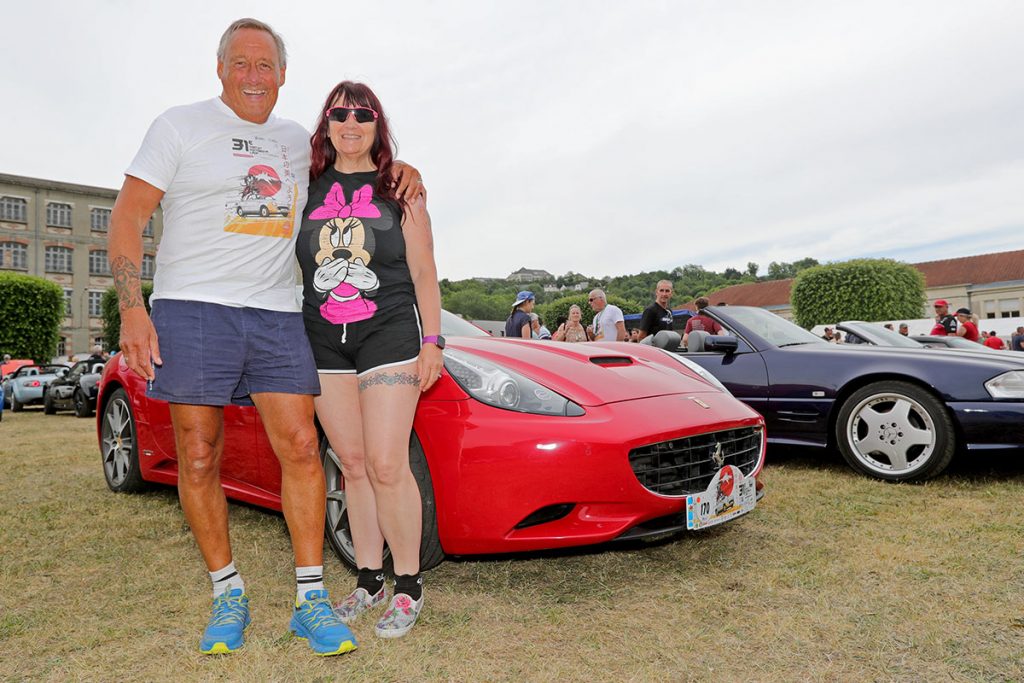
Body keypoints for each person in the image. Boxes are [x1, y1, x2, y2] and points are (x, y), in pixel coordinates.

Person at [108, 18, 423, 656]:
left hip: (279, 313)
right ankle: (228, 592)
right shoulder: (178, 126)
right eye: (241, 64)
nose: (254, 77)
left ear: (282, 75)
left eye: (266, 66)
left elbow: (354, 171)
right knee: (199, 456)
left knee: (305, 449)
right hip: (192, 308)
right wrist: (132, 309)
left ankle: (310, 598)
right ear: (220, 68)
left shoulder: (295, 147)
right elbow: (128, 216)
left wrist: (403, 167)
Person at [298, 80, 439, 639]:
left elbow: (425, 270)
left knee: (386, 463)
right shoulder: (304, 187)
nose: (350, 123)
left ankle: (408, 586)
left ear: (377, 125)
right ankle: (368, 578)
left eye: (363, 114)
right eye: (340, 113)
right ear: (326, 124)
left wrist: (433, 343)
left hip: (389, 333)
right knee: (351, 464)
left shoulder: (400, 187)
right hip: (322, 339)